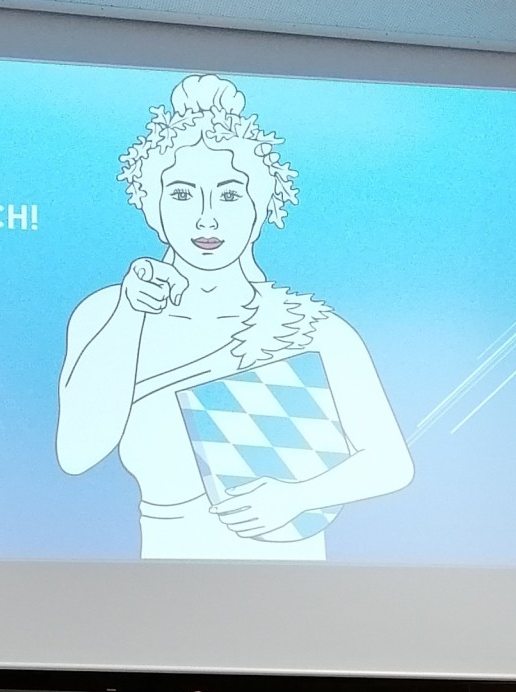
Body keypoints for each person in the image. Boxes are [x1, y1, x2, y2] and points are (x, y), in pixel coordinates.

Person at [56, 73, 413, 561]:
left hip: (299, 592)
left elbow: (391, 463)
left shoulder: (312, 329)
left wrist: (295, 497)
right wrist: (129, 314)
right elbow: (76, 454)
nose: (206, 218)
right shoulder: (106, 314)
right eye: (182, 194)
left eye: (228, 195)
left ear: (262, 205)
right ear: (151, 207)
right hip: (160, 588)